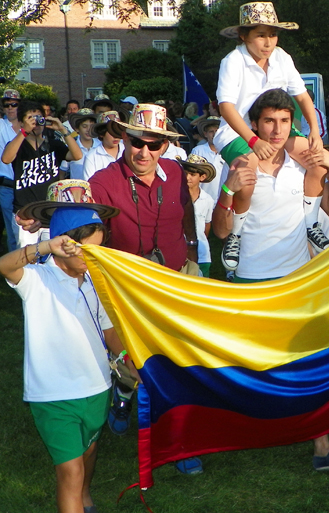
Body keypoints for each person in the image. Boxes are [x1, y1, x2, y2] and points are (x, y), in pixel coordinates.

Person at [16, 103, 203, 474]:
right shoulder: (103, 181)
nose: (144, 152)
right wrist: (41, 223)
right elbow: (73, 211)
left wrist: (193, 252)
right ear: (124, 138)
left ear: (165, 146)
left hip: (175, 282)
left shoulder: (177, 174)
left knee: (176, 362)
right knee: (140, 360)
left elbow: (186, 213)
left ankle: (175, 440)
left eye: (153, 144)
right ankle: (126, 393)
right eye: (136, 142)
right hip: (126, 289)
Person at [212, 88, 329, 471]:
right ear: (255, 126)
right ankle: (246, 433)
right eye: (269, 122)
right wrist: (228, 187)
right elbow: (222, 232)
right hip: (251, 281)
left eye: (284, 121)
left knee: (307, 363)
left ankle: (322, 447)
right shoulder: (242, 164)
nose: (277, 130)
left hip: (297, 279)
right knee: (252, 366)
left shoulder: (303, 167)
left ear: (292, 124)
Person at [0, 180, 140, 512]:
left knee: (89, 452)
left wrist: (126, 360)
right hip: (54, 394)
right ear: (64, 246)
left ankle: (85, 497)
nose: (95, 259)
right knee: (70, 471)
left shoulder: (96, 281)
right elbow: (4, 265)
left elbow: (108, 329)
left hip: (96, 386)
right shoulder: (38, 280)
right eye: (88, 252)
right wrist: (44, 249)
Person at [215, 2, 329, 272]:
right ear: (243, 36)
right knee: (247, 174)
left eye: (272, 34)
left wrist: (314, 130)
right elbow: (226, 107)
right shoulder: (232, 61)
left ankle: (311, 224)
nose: (268, 42)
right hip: (239, 131)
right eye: (260, 35)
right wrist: (253, 141)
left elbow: (302, 96)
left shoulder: (282, 57)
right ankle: (236, 234)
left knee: (318, 161)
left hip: (277, 128)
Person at [1, 100, 82, 247]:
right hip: (25, 212)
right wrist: (23, 132)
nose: (36, 124)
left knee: (52, 254)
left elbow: (77, 155)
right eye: (30, 119)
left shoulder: (53, 144)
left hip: (50, 210)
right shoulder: (17, 145)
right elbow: (6, 158)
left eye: (39, 118)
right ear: (21, 122)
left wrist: (63, 130)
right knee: (27, 258)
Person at [178, 153, 216, 277]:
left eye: (193, 175)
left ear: (202, 177)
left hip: (203, 254)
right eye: (186, 173)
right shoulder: (175, 196)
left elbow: (207, 226)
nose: (188, 177)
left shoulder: (207, 199)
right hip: (180, 251)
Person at [0, 89, 21, 251]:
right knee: (12, 231)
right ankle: (14, 272)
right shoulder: (0, 125)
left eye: (14, 104)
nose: (10, 107)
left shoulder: (29, 127)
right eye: (6, 105)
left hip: (27, 185)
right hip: (6, 186)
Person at [192, 116, 226, 203]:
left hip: (222, 199)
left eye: (217, 131)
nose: (214, 134)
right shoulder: (198, 150)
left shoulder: (227, 151)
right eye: (211, 131)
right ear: (205, 134)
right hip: (202, 200)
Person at [82, 111, 124, 181]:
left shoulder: (128, 150)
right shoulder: (92, 157)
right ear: (101, 133)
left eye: (118, 131)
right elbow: (89, 184)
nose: (116, 136)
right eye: (111, 132)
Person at [61, 108, 100, 179]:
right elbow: (63, 170)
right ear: (77, 129)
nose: (88, 130)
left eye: (91, 126)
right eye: (84, 126)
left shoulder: (101, 146)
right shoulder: (70, 147)